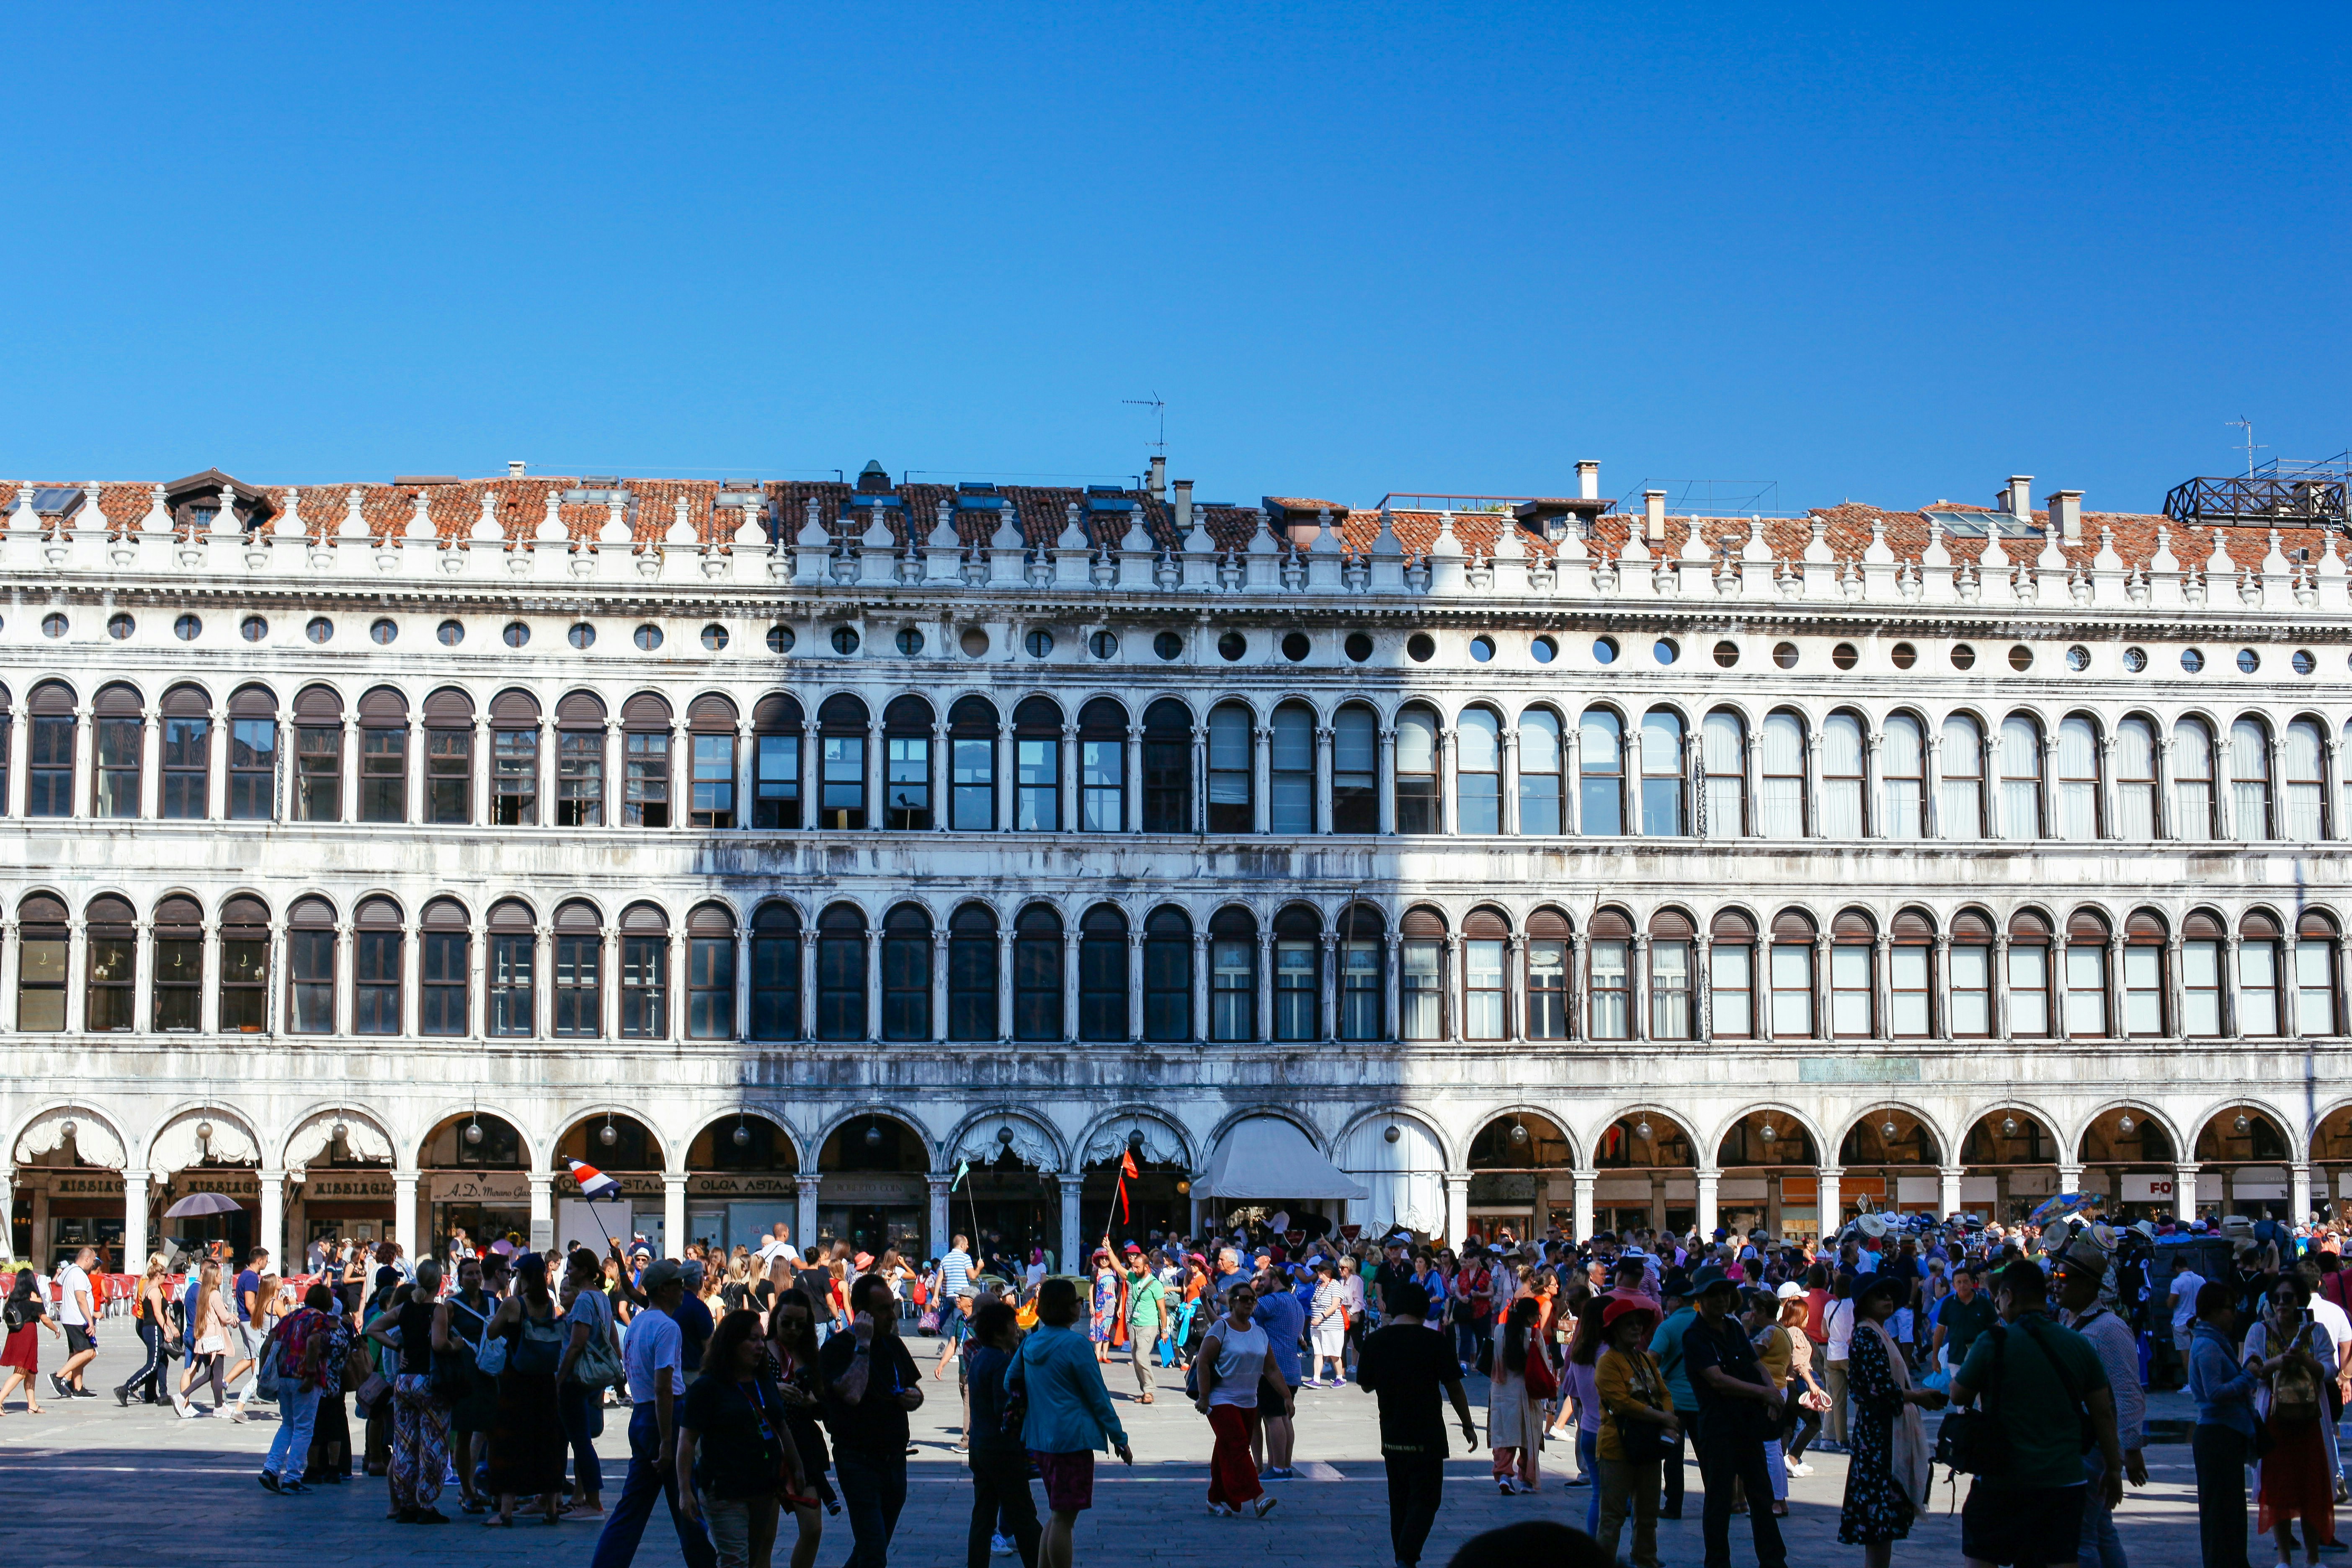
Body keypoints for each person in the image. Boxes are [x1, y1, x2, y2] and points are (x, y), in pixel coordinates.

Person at [1949, 1258, 2125, 1568]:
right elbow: (2103, 1413)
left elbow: (1959, 1394)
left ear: (2009, 1296)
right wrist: (2113, 1469)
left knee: (1983, 1557)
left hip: (2002, 1479)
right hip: (2064, 1480)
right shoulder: (2078, 1343)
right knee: (2060, 1560)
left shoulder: (1993, 1341)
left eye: (1999, 1298)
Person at [590, 1259, 718, 1567]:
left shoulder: (638, 1323)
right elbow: (665, 1386)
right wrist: (666, 1440)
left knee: (633, 1505)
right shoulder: (667, 1326)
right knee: (685, 1497)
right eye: (677, 1286)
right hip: (667, 1417)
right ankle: (704, 1562)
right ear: (665, 1290)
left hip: (643, 1416)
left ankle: (607, 1562)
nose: (683, 1291)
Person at [1008, 1276, 1133, 1568]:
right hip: (1071, 1439)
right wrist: (1120, 1438)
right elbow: (1098, 1397)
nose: (1082, 1304)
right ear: (1070, 1308)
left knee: (1057, 1512)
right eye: (1078, 1300)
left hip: (1039, 1437)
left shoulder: (1030, 1343)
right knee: (1065, 1517)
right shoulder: (1077, 1345)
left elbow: (1009, 1382)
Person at [1355, 1280, 1481, 1568]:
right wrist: (1467, 1424)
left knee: (1399, 1500)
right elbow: (1455, 1388)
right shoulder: (1434, 1341)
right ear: (1424, 1308)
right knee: (1426, 1499)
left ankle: (1403, 1556)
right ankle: (1407, 1554)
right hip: (1428, 1432)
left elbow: (1365, 1386)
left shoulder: (1376, 1341)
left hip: (1392, 1430)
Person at [1680, 1264, 1789, 1568]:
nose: (1721, 1300)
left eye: (1725, 1293)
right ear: (1701, 1298)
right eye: (1714, 1295)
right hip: (1718, 1428)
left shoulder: (1734, 1328)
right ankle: (1717, 1562)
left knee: (1762, 1496)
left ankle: (1773, 1560)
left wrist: (1772, 1392)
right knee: (1719, 1499)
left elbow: (1757, 1365)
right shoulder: (1695, 1336)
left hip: (1747, 1425)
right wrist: (1763, 1394)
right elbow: (1717, 1380)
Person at [2053, 1233, 2149, 1568]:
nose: (2057, 1284)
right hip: (2076, 1441)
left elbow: (2127, 1391)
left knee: (2082, 1535)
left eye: (2064, 1278)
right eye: (2055, 1276)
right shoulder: (2068, 1322)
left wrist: (2131, 1449)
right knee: (2100, 1528)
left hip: (2094, 1443)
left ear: (2088, 1284)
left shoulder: (2109, 1328)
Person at [679, 1308, 802, 1568]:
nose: (760, 1346)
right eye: (752, 1340)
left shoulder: (764, 1381)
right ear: (732, 1343)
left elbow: (781, 1427)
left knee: (755, 1556)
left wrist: (797, 1467)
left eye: (761, 1339)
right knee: (735, 1559)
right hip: (725, 1487)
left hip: (763, 1485)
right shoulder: (708, 1387)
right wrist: (684, 1491)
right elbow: (687, 1440)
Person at [1837, 1271, 1945, 1567]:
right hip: (1878, 1438)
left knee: (1884, 1522)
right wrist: (1918, 1396)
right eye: (1879, 1295)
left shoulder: (1879, 1334)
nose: (1887, 1299)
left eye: (1889, 1295)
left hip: (1884, 1433)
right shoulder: (1867, 1336)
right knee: (1878, 1520)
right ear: (1864, 1303)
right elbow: (1881, 1391)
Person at [820, 1271, 926, 1568]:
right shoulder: (837, 1348)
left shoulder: (893, 1346)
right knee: (874, 1549)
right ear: (864, 1313)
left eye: (892, 1307)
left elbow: (914, 1390)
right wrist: (863, 1344)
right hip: (858, 1460)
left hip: (894, 1461)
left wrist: (913, 1398)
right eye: (883, 1310)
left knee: (871, 1549)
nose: (892, 1316)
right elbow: (852, 1394)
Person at [2247, 1279, 2337, 1568]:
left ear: (2299, 1300)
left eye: (2288, 1297)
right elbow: (2251, 1369)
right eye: (2277, 1298)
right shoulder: (2259, 1331)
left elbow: (2329, 1370)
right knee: (2279, 1489)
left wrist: (2305, 1362)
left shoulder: (2315, 1331)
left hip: (2310, 1419)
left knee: (2311, 1487)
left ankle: (2313, 1558)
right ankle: (2284, 1559)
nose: (2283, 1303)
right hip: (2275, 1419)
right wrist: (2277, 1364)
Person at [365, 1259, 455, 1522]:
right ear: (439, 1282)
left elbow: (374, 1329)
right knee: (433, 1444)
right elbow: (439, 1345)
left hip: (404, 1382)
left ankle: (406, 1504)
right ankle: (426, 1503)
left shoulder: (404, 1308)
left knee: (405, 1445)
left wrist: (397, 1347)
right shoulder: (437, 1311)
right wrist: (457, 1346)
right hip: (429, 1381)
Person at [485, 1252, 569, 1529]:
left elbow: (493, 1333)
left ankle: (506, 1510)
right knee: (545, 1442)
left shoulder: (512, 1304)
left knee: (510, 1442)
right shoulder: (548, 1304)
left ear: (523, 1276)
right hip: (544, 1380)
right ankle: (552, 1507)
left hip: (516, 1381)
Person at [1594, 1295, 1677, 1568]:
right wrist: (1662, 1417)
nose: (1636, 1329)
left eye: (1639, 1324)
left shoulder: (1645, 1359)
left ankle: (1645, 1559)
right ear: (1614, 1330)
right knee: (1613, 1515)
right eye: (1629, 1324)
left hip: (1648, 1444)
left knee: (1648, 1512)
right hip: (1617, 1445)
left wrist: (1667, 1420)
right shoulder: (1609, 1362)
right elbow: (1622, 1403)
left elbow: (1663, 1392)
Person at [1194, 1279, 1282, 1519]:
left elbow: (1271, 1369)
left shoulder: (1259, 1333)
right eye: (1245, 1299)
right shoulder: (1221, 1327)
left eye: (1253, 1299)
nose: (1250, 1303)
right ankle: (1259, 1497)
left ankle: (1214, 1498)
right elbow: (1203, 1361)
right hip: (1220, 1399)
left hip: (1248, 1401)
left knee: (1226, 1446)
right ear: (1232, 1303)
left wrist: (1287, 1397)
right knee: (1238, 1447)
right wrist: (1203, 1397)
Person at [964, 1298, 1042, 1568]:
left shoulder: (980, 1358)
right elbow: (1005, 1409)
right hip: (1002, 1451)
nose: (1016, 1330)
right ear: (999, 1331)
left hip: (981, 1446)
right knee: (1024, 1515)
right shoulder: (1000, 1362)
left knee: (983, 1515)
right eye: (1012, 1325)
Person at [2189, 1277, 2259, 1567]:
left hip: (2226, 1434)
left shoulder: (2215, 1341)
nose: (2234, 1314)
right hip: (2216, 1435)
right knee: (2220, 1512)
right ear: (2216, 1311)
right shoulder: (2207, 1345)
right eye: (2231, 1308)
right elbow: (2214, 1392)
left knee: (2231, 1511)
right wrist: (2248, 1375)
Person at [763, 1287, 832, 1568]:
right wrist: (772, 1389)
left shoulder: (810, 1356)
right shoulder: (761, 1351)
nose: (792, 1330)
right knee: (764, 1537)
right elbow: (742, 1392)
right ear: (775, 1318)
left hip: (803, 1445)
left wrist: (813, 1402)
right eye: (786, 1322)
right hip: (768, 1446)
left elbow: (824, 1409)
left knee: (813, 1529)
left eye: (800, 1325)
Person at [556, 1248, 616, 1521]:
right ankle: (587, 1499)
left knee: (580, 1442)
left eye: (571, 1267)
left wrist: (560, 1379)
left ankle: (592, 1502)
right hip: (595, 1377)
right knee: (583, 1440)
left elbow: (577, 1343)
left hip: (577, 1378)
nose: (567, 1271)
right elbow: (612, 1335)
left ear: (583, 1271)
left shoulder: (583, 1301)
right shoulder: (601, 1298)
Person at [259, 1283, 337, 1493]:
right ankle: (293, 1477)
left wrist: (264, 1372)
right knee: (304, 1428)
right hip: (304, 1376)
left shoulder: (290, 1317)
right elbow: (313, 1342)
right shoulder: (319, 1319)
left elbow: (268, 1344)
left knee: (288, 1424)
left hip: (284, 1375)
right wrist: (311, 1372)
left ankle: (271, 1469)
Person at [441, 1256, 499, 1514]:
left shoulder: (492, 1302)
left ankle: (494, 1487)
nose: (475, 1278)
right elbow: (441, 1337)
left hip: (490, 1374)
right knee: (464, 1433)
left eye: (477, 1273)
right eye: (469, 1274)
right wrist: (455, 1347)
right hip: (465, 1374)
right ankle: (466, 1490)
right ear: (460, 1278)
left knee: (494, 1430)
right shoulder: (451, 1305)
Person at [1487, 1295, 1556, 1494]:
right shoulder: (1535, 1335)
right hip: (1528, 1393)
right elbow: (1544, 1363)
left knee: (1504, 1436)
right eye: (1537, 1315)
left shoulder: (1500, 1331)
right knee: (1529, 1436)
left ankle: (1505, 1476)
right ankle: (1527, 1479)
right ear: (1530, 1317)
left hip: (1502, 1391)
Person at [1645, 1274, 1697, 1517]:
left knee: (1674, 1456)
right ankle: (1721, 1501)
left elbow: (1652, 1359)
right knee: (1708, 1454)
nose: (1667, 1304)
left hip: (1673, 1400)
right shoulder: (1704, 1323)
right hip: (1701, 1399)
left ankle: (1674, 1505)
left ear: (1678, 1301)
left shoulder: (1668, 1326)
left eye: (1669, 1300)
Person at [1251, 1260, 1307, 1478]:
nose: (1261, 1283)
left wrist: (1218, 1297)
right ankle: (1283, 1465)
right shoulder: (1295, 1302)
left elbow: (1247, 1308)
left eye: (1264, 1279)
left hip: (1275, 1370)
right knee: (1284, 1417)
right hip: (1293, 1369)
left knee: (1274, 1417)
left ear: (1275, 1280)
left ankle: (1278, 1468)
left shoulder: (1272, 1301)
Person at [116, 1253, 176, 1406]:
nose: (166, 1278)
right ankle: (127, 1387)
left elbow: (163, 1312)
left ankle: (161, 1394)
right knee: (153, 1364)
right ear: (157, 1275)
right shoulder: (154, 1291)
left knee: (162, 1360)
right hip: (153, 1328)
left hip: (152, 1327)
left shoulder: (151, 1287)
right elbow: (158, 1313)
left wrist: (172, 1327)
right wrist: (166, 1330)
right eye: (165, 1275)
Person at [0, 1267, 59, 1413]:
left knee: (31, 1369)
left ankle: (32, 1404)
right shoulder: (34, 1296)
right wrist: (56, 1329)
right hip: (28, 1333)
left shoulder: (12, 1297)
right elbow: (45, 1319)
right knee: (20, 1371)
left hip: (14, 1334)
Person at [50, 1244, 98, 1400]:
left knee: (78, 1353)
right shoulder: (78, 1274)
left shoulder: (69, 1270)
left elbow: (58, 1282)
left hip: (69, 1318)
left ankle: (77, 1387)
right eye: (93, 1262)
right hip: (78, 1319)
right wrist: (90, 1321)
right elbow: (81, 1298)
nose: (93, 1265)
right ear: (87, 1259)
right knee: (89, 1352)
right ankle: (59, 1377)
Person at [1122, 1244, 1168, 1402]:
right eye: (1133, 1267)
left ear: (1147, 1268)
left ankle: (1150, 1391)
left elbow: (1162, 1310)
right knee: (1136, 1360)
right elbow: (1118, 1268)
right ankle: (1145, 1391)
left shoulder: (1155, 1285)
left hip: (1149, 1325)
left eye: (1137, 1267)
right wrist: (1109, 1250)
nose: (1134, 1269)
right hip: (1134, 1325)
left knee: (1141, 1356)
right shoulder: (1134, 1278)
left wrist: (1164, 1330)